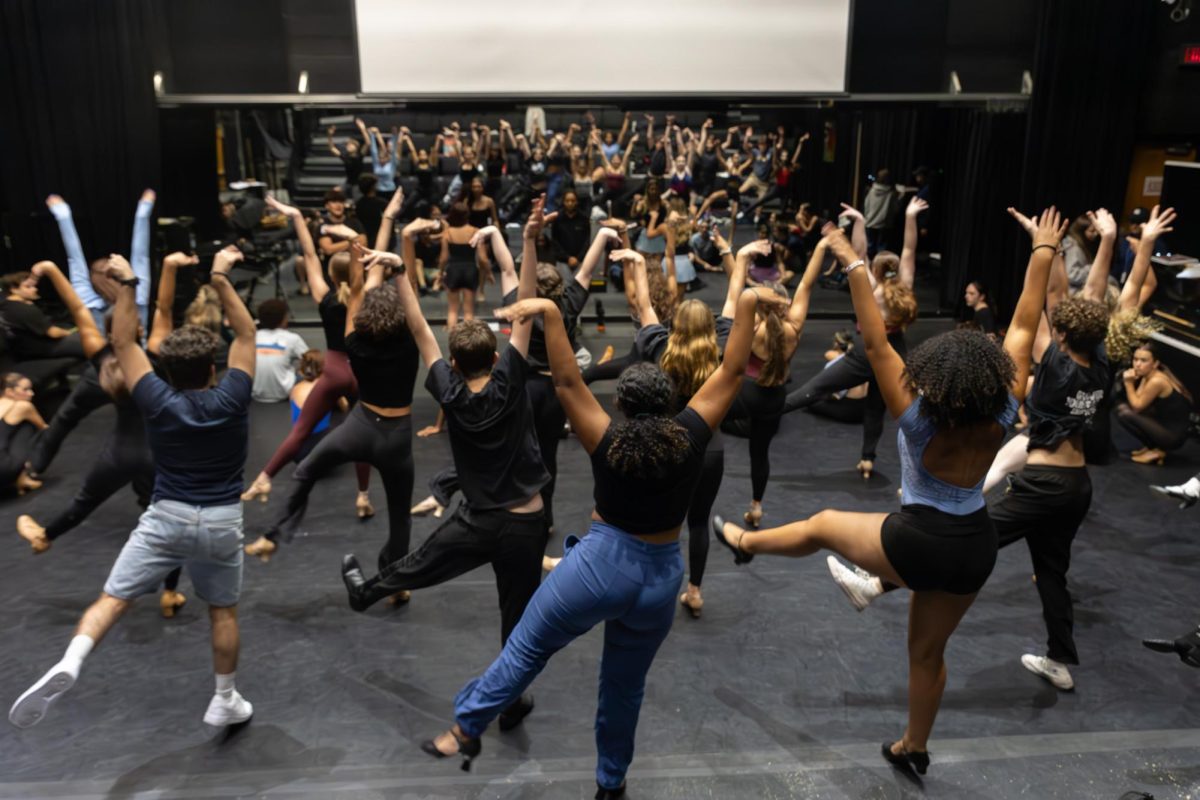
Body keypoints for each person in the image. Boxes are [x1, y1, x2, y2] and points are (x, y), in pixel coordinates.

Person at [715, 209, 1064, 776]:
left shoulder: (919, 416)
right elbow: (1024, 327)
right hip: (977, 544)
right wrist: (1043, 251)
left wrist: (853, 263)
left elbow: (875, 344)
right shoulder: (1005, 406)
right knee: (928, 654)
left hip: (922, 538)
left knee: (824, 524)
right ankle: (913, 747)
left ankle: (746, 543)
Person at [418, 263, 778, 800]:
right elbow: (728, 372)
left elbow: (565, 379)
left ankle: (466, 728)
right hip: (660, 579)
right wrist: (747, 303)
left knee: (525, 649)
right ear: (671, 402)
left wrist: (545, 312)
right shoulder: (690, 435)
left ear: (622, 405)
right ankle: (611, 782)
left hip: (600, 566)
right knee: (624, 688)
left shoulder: (607, 439)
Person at [8, 245, 258, 730]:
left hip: (167, 517)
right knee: (222, 612)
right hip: (223, 520)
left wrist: (127, 285)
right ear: (213, 369)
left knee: (113, 598)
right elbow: (247, 332)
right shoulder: (233, 395)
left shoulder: (155, 399)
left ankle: (72, 661)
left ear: (168, 369)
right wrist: (221, 277)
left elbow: (122, 342)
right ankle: (224, 698)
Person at [340, 233, 548, 729]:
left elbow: (418, 327)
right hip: (524, 523)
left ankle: (366, 591)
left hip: (479, 521)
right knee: (516, 617)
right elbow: (524, 307)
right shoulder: (511, 379)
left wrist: (399, 271)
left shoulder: (449, 393)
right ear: (496, 360)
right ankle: (512, 701)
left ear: (453, 366)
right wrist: (530, 242)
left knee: (423, 562)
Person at [15, 255, 198, 616]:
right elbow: (163, 308)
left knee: (83, 502)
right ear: (139, 332)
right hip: (157, 456)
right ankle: (169, 593)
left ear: (110, 331)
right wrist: (171, 267)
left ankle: (44, 537)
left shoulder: (102, 362)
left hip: (119, 450)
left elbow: (79, 310)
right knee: (167, 521)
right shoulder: (155, 357)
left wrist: (52, 272)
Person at [247, 239, 418, 580]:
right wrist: (399, 268)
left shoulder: (354, 343)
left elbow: (355, 294)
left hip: (359, 427)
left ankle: (273, 535)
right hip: (396, 437)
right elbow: (398, 304)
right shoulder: (412, 342)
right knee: (400, 515)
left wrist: (357, 258)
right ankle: (395, 581)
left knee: (306, 470)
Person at [242, 194, 377, 543]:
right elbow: (368, 260)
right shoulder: (362, 293)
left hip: (331, 368)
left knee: (300, 431)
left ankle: (264, 477)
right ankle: (363, 496)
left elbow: (309, 252)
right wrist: (358, 241)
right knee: (364, 438)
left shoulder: (323, 294)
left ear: (332, 275)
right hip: (360, 370)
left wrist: (296, 216)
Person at [780, 198, 924, 479]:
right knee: (876, 407)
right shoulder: (905, 284)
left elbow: (858, 253)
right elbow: (909, 248)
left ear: (878, 270)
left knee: (817, 388)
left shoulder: (873, 287)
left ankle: (765, 410)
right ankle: (868, 459)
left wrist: (859, 221)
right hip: (897, 352)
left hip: (868, 351)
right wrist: (909, 216)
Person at [624, 255, 723, 617]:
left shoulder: (662, 349)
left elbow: (646, 306)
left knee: (660, 517)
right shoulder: (721, 354)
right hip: (710, 449)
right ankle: (694, 591)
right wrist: (735, 261)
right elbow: (733, 310)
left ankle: (647, 584)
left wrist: (636, 264)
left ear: (677, 324)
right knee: (699, 521)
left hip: (670, 444)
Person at [45, 191, 155, 329]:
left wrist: (63, 215)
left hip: (99, 350)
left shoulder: (86, 298)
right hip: (136, 351)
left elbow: (74, 257)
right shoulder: (137, 295)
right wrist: (143, 212)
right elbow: (141, 256)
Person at [1116, 342, 1193, 464]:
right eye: (1135, 359)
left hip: (1172, 436)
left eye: (1143, 360)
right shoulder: (1148, 375)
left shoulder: (1157, 381)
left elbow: (1136, 408)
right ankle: (1153, 448)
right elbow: (1139, 400)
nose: (1137, 364)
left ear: (1155, 363)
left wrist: (1128, 383)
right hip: (1163, 426)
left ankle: (1158, 451)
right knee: (1122, 410)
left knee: (1125, 413)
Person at [1, 271, 85, 361]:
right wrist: (68, 333)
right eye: (28, 287)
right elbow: (53, 333)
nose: (35, 289)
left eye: (34, 286)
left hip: (21, 349)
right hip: (42, 349)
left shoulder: (6, 305)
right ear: (14, 289)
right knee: (90, 343)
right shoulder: (24, 309)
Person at [438, 202, 485, 329]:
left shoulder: (447, 233)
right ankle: (468, 345)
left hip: (453, 270)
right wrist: (487, 272)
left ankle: (452, 344)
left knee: (452, 310)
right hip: (470, 269)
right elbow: (482, 258)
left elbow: (443, 258)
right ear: (467, 215)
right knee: (469, 311)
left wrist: (440, 273)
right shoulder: (476, 231)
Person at [250, 299, 307, 403]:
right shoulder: (292, 338)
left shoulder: (253, 337)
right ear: (284, 319)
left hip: (255, 392)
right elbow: (311, 361)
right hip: (285, 392)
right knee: (311, 367)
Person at [0, 372, 46, 495]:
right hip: (4, 469)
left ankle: (17, 479)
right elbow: (44, 428)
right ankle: (23, 478)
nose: (31, 393)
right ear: (10, 392)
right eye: (25, 390)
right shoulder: (22, 406)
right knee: (27, 425)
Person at [862, 169, 900, 256]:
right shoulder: (891, 194)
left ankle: (868, 267)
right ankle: (879, 268)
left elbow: (866, 206)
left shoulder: (871, 190)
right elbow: (895, 209)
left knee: (870, 247)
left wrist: (867, 218)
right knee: (881, 249)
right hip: (884, 225)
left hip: (870, 222)